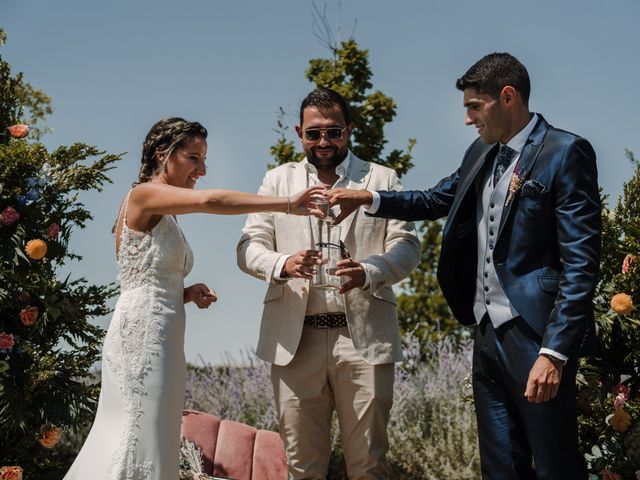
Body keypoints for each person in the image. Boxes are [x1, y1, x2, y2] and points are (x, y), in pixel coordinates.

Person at [326, 53, 601, 479]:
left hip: (535, 335)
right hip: (486, 332)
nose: (469, 120)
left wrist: (555, 351)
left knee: (554, 464)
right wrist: (367, 198)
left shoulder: (565, 152)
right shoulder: (481, 151)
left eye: (475, 107)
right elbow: (437, 199)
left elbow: (581, 263)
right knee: (499, 467)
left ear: (507, 97)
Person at [64, 117, 324, 480]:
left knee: (153, 433)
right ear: (162, 154)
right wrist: (286, 204)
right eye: (194, 158)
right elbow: (210, 199)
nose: (202, 169)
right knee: (136, 432)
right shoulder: (143, 194)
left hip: (161, 330)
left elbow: (142, 276)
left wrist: (184, 292)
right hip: (144, 338)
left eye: (204, 160)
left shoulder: (162, 210)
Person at [236, 88, 420, 479]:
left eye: (333, 132)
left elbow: (407, 247)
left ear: (349, 130)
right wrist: (284, 263)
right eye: (314, 133)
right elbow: (248, 247)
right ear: (299, 132)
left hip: (363, 341)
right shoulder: (276, 180)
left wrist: (369, 271)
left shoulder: (382, 178)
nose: (323, 142)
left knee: (369, 465)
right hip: (294, 340)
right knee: (302, 468)